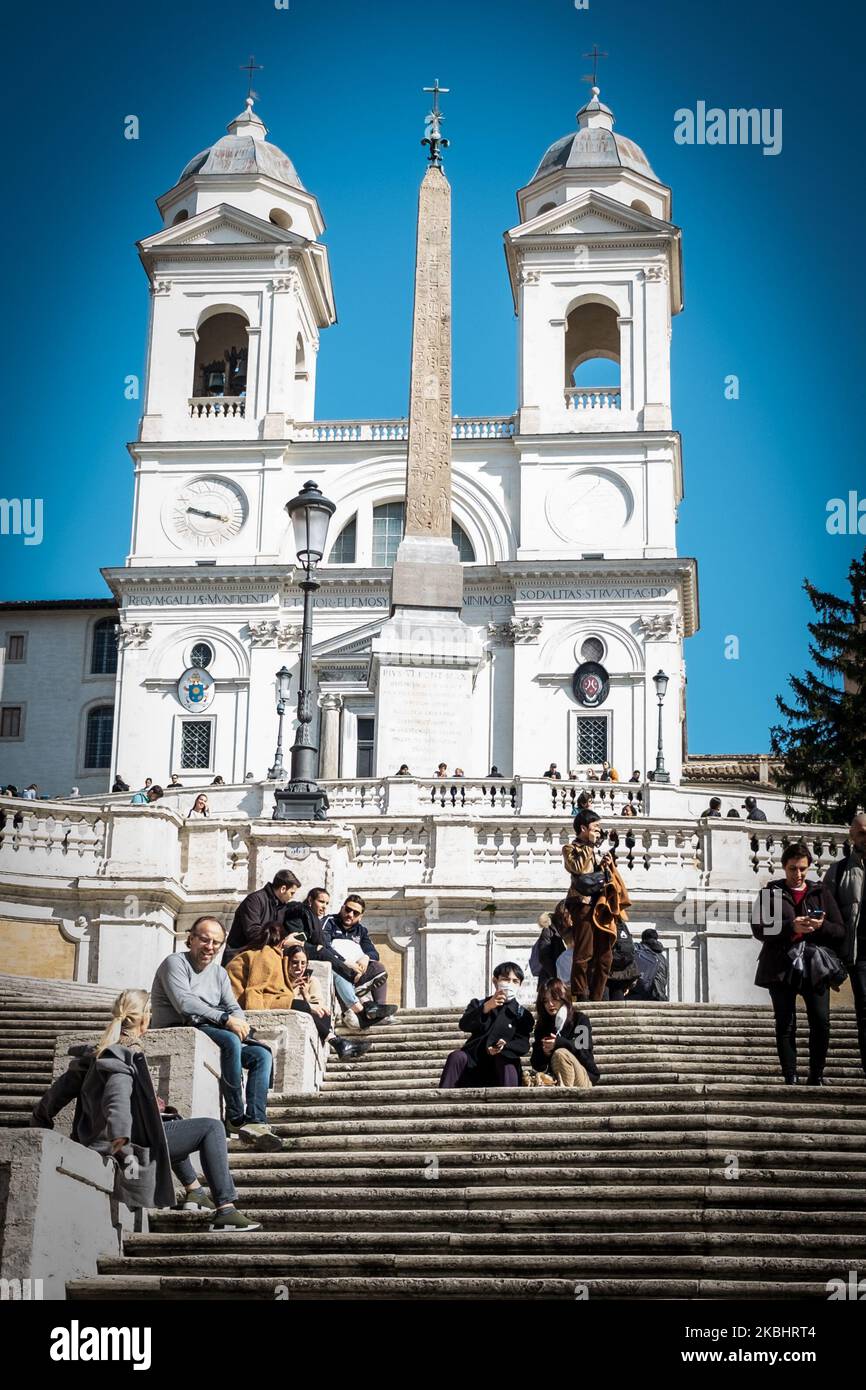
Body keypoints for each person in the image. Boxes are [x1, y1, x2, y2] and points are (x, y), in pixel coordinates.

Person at [31, 989, 262, 1230]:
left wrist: (40, 1120)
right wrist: (121, 1144)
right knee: (211, 1128)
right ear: (145, 1019)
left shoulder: (97, 1052)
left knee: (170, 1122)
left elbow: (57, 1093)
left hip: (105, 1138)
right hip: (123, 1144)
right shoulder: (124, 1053)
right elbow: (116, 1099)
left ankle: (195, 1191)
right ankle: (226, 1209)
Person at [150, 916, 285, 1150]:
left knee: (262, 1055)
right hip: (182, 1026)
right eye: (204, 940)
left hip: (210, 1028)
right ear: (190, 939)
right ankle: (235, 1117)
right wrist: (225, 1019)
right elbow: (185, 1003)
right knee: (231, 1039)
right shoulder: (174, 963)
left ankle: (255, 1121)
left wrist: (239, 1022)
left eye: (216, 943)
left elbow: (232, 1006)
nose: (209, 947)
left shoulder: (219, 973)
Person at [751, 842, 845, 1085]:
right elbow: (760, 929)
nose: (798, 874)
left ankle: (817, 1074)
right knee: (785, 1022)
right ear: (784, 867)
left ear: (809, 867)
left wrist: (820, 926)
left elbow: (839, 930)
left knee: (821, 1021)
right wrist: (790, 927)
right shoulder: (770, 893)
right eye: (793, 868)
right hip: (780, 965)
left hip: (814, 965)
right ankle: (790, 1075)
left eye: (803, 868)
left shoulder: (820, 892)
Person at [226, 929, 370, 1061]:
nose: (299, 968)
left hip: (273, 1007)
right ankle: (337, 1042)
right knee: (305, 1007)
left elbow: (320, 1009)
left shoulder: (309, 980)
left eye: (303, 964)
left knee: (320, 1011)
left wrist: (306, 996)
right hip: (244, 1008)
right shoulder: (266, 957)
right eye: (295, 963)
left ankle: (337, 1042)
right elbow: (257, 992)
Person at [438, 963, 532, 1088]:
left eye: (515, 981)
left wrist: (505, 1046)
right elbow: (464, 1025)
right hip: (474, 1065)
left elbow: (523, 1044)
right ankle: (444, 1100)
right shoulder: (478, 1004)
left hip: (501, 1066)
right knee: (456, 1056)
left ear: (520, 985)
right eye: (505, 979)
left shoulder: (522, 1014)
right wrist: (486, 1007)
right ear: (495, 981)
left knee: (505, 1059)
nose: (510, 984)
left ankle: (510, 1101)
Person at [823, 812, 866, 1078]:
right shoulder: (838, 871)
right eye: (861, 832)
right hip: (859, 953)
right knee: (865, 1010)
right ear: (851, 835)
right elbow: (827, 912)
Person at [321, 895, 397, 1030]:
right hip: (338, 968)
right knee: (338, 972)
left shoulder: (361, 930)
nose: (350, 915)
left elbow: (374, 953)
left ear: (361, 916)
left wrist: (366, 958)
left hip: (356, 972)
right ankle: (355, 1011)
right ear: (342, 908)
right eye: (348, 910)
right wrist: (345, 963)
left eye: (355, 913)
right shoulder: (329, 922)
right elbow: (324, 947)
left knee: (378, 967)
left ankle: (378, 1009)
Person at [529, 979, 599, 1088]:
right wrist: (544, 1052)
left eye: (554, 999)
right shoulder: (542, 1026)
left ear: (563, 998)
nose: (550, 1004)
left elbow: (584, 1051)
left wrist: (559, 1043)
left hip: (583, 1076)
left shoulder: (580, 1019)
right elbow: (536, 1065)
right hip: (556, 1078)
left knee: (560, 1053)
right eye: (545, 1001)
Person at [225, 869, 303, 960]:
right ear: (283, 889)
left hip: (261, 958)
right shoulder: (254, 900)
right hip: (239, 958)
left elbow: (275, 933)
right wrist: (283, 942)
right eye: (291, 893)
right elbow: (253, 932)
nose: (292, 897)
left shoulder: (281, 907)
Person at [529, 900, 571, 987]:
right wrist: (557, 976)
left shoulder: (569, 930)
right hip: (550, 981)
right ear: (564, 914)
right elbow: (544, 958)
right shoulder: (548, 930)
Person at [631, 928, 670, 1001]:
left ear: (643, 939)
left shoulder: (639, 950)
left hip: (643, 995)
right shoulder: (663, 958)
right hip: (660, 995)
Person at [606, 921, 640, 1000]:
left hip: (607, 969)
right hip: (623, 970)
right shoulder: (622, 925)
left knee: (604, 1001)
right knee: (618, 996)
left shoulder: (604, 923)